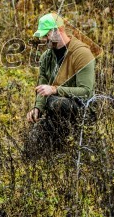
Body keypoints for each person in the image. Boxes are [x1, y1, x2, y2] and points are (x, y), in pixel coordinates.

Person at [25, 12, 95, 156]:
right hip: (55, 108)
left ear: (59, 30)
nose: (44, 39)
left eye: (47, 34)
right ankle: (57, 151)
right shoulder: (46, 56)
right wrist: (37, 108)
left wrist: (55, 89)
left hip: (83, 108)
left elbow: (86, 92)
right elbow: (42, 84)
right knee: (30, 149)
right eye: (43, 35)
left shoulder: (82, 53)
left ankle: (66, 147)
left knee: (55, 102)